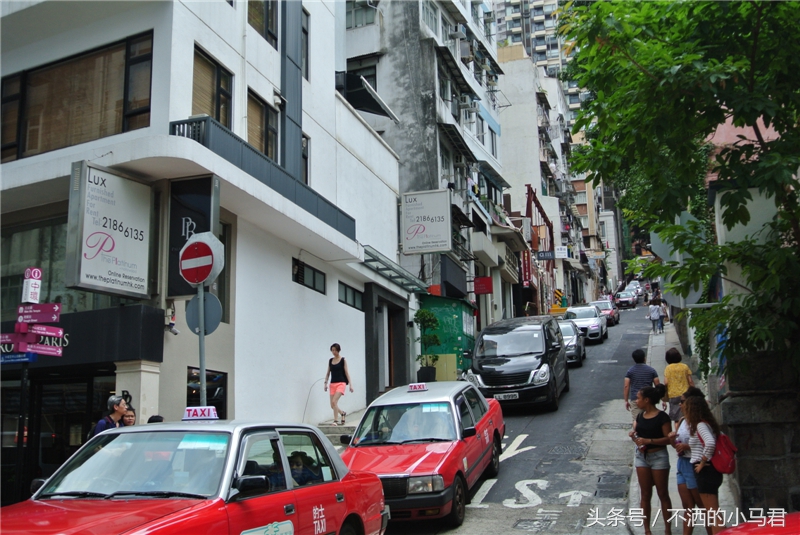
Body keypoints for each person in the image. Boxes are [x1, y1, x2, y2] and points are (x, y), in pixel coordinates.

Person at [629, 384, 673, 535]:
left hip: (658, 456)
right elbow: (639, 437)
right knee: (645, 494)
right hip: (642, 456)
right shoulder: (640, 416)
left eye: (638, 398)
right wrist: (635, 438)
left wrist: (649, 441)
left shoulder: (662, 417)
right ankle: (647, 530)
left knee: (662, 493)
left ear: (647, 400)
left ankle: (668, 530)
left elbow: (668, 439)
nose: (636, 401)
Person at [669, 387, 711, 535]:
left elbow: (709, 444)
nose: (680, 404)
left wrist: (689, 448)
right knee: (687, 507)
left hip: (694, 464)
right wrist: (673, 441)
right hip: (682, 463)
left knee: (703, 507)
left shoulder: (700, 423)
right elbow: (677, 445)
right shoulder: (682, 420)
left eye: (682, 401)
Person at [683, 396, 726, 534]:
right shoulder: (707, 424)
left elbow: (710, 443)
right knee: (713, 512)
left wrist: (702, 462)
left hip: (705, 471)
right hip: (710, 471)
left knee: (713, 513)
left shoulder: (700, 425)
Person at [624, 349, 661, 422]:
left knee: (636, 419)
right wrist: (661, 399)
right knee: (650, 418)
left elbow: (626, 386)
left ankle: (637, 429)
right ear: (644, 358)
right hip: (649, 399)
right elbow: (658, 385)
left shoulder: (630, 371)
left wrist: (626, 400)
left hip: (636, 399)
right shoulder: (651, 370)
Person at [663, 349, 695, 431]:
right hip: (686, 395)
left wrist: (664, 398)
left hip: (673, 395)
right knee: (688, 415)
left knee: (677, 419)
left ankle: (678, 434)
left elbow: (666, 382)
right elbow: (690, 381)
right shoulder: (685, 366)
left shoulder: (668, 368)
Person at [323, 343, 353, 425]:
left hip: (341, 383)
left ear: (338, 350)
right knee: (332, 405)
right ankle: (342, 413)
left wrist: (350, 384)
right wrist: (325, 383)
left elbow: (346, 372)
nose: (334, 352)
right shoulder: (330, 361)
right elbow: (328, 373)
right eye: (332, 350)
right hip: (332, 384)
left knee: (334, 401)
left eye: (335, 350)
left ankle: (335, 421)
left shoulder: (343, 360)